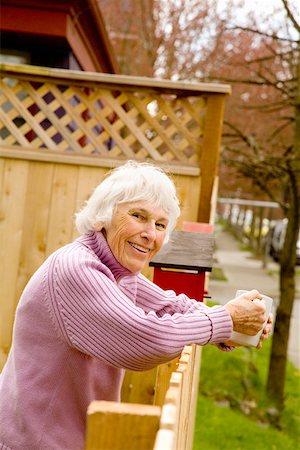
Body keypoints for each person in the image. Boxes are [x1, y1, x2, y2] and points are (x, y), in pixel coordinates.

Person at [0, 160, 272, 450]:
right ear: (103, 216)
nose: (150, 233)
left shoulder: (115, 270)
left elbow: (168, 306)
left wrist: (234, 324)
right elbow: (147, 338)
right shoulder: (77, 269)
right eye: (138, 216)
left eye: (160, 224)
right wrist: (224, 321)